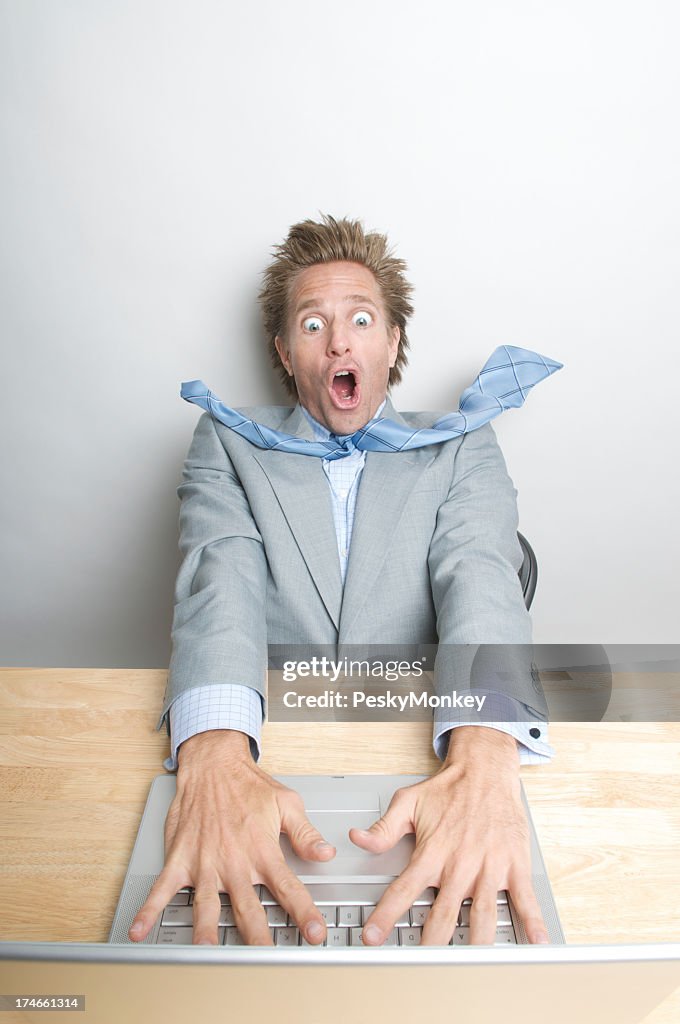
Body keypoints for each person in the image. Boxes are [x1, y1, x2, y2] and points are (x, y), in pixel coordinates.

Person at [129, 214, 555, 948]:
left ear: (391, 343)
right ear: (286, 354)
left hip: (413, 748)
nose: (339, 341)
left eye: (362, 320)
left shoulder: (461, 445)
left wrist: (486, 755)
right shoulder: (228, 441)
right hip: (284, 746)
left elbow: (482, 576)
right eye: (312, 324)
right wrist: (216, 755)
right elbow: (219, 586)